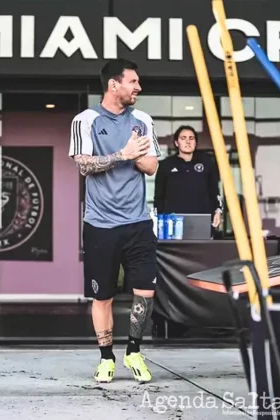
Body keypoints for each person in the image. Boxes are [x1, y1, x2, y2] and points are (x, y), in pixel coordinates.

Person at [69, 59, 160, 384]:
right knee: (102, 296)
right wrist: (121, 154)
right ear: (114, 85)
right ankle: (106, 358)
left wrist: (136, 156)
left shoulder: (144, 120)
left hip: (138, 223)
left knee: (145, 293)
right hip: (100, 225)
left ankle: (133, 350)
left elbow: (152, 167)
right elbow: (83, 165)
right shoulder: (86, 120)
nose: (138, 87)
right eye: (133, 82)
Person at [153, 125, 223, 229]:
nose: (188, 142)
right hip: (173, 222)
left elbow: (214, 191)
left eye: (191, 138)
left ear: (196, 143)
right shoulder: (166, 165)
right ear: (176, 143)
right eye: (183, 138)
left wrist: (218, 211)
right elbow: (159, 197)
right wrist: (159, 220)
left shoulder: (207, 163)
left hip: (202, 220)